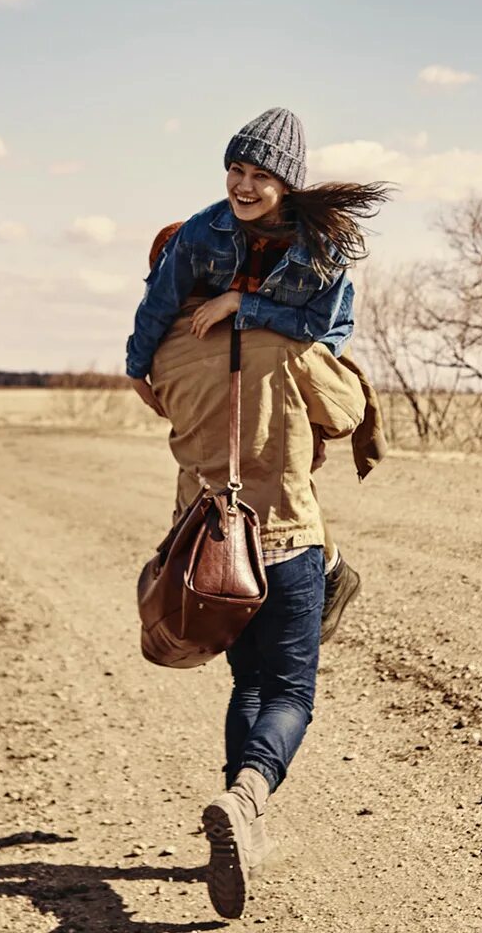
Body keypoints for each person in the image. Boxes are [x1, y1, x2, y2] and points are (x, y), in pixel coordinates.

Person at [124, 107, 391, 919]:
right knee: (290, 687)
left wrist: (217, 329)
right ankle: (247, 797)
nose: (241, 186)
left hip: (210, 544)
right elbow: (344, 413)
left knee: (245, 680)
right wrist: (281, 342)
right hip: (284, 539)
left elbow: (149, 377)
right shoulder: (295, 345)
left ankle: (242, 810)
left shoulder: (168, 352)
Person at [126, 107, 390, 642]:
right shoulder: (202, 231)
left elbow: (328, 327)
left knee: (287, 471)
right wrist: (138, 366)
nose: (243, 187)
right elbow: (159, 301)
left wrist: (241, 305)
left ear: (287, 184)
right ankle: (219, 585)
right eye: (236, 171)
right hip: (232, 364)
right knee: (234, 469)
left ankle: (323, 574)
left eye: (261, 176)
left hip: (295, 358)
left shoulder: (322, 247)